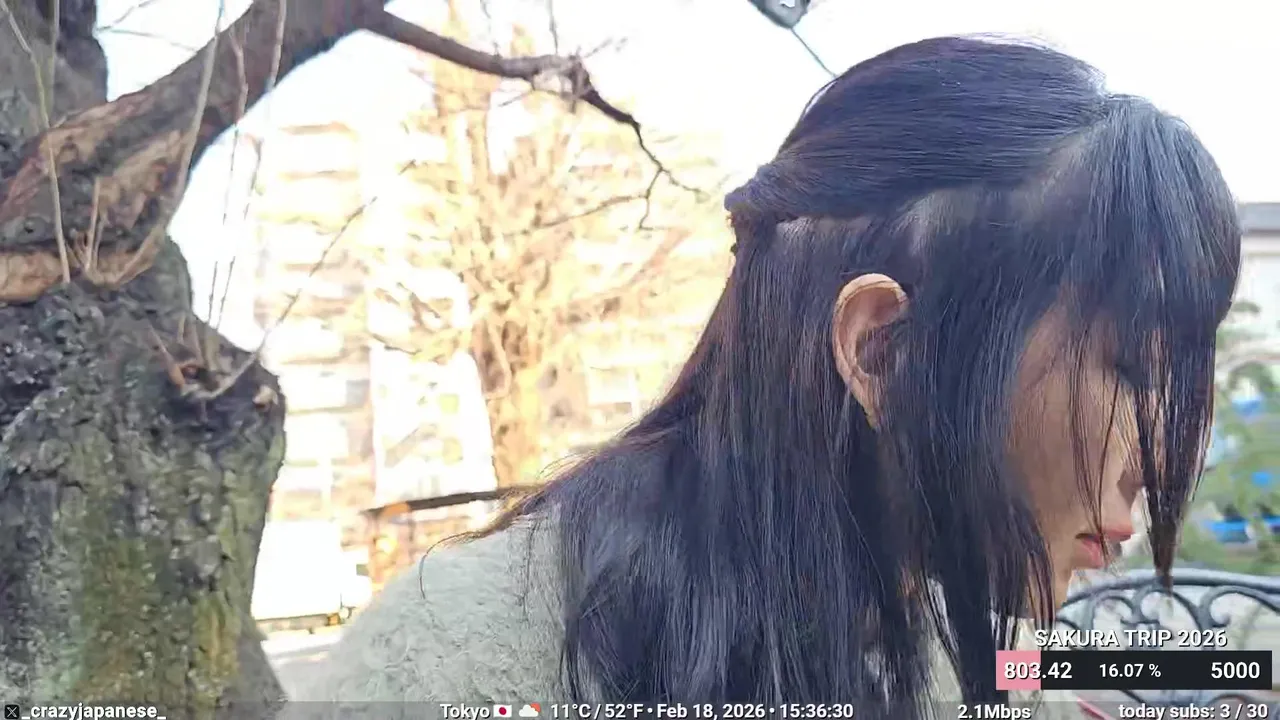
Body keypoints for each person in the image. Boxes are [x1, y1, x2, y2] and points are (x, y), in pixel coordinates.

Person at [283, 36, 1241, 719]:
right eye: (1130, 370)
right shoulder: (460, 663)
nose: (1163, 464)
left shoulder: (976, 644)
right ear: (884, 353)